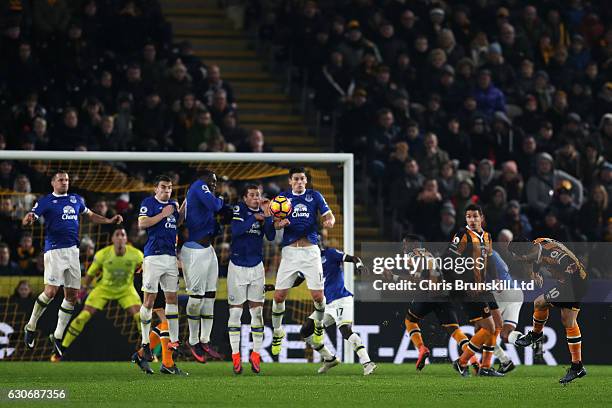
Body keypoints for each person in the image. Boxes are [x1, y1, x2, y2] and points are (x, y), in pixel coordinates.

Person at [22, 170, 122, 357]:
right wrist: (29, 218)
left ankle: (57, 336)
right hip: (54, 251)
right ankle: (31, 325)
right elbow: (33, 215)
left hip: (73, 252)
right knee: (51, 292)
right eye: (61, 180)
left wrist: (108, 220)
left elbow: (91, 215)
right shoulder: (46, 201)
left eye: (66, 180)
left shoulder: (76, 199)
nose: (64, 182)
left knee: (72, 296)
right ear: (53, 183)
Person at [271, 167, 335, 356]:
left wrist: (329, 222)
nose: (299, 182)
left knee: (317, 297)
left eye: (302, 179)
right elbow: (273, 223)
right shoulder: (282, 198)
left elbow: (328, 216)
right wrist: (278, 224)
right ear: (290, 181)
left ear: (306, 181)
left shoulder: (315, 196)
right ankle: (277, 332)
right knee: (278, 296)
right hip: (290, 252)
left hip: (310, 251)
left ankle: (319, 325)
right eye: (296, 179)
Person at [509, 237, 589, 384]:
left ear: (523, 252)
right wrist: (535, 272)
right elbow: (537, 257)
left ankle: (535, 335)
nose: (518, 259)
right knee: (569, 322)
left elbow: (541, 257)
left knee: (539, 303)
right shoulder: (539, 242)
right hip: (578, 281)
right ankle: (577, 366)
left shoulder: (545, 253)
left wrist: (562, 281)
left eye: (517, 256)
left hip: (571, 284)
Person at [56, 227, 143, 360]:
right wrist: (82, 291)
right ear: (112, 239)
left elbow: (146, 271)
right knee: (82, 317)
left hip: (126, 290)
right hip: (103, 289)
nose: (120, 237)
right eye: (117, 234)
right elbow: (90, 275)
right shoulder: (102, 254)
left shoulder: (136, 254)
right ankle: (61, 350)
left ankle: (147, 352)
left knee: (141, 318)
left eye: (123, 235)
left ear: (126, 239)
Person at [394, 235, 474, 372]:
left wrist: (394, 277)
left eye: (405, 244)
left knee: (410, 320)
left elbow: (417, 278)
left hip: (429, 294)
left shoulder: (412, 255)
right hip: (444, 294)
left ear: (412, 244)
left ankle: (421, 348)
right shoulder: (428, 253)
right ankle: (473, 359)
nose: (404, 247)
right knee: (454, 330)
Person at [295, 240, 376, 375]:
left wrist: (360, 266)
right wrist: (276, 288)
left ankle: (367, 362)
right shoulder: (307, 263)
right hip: (327, 304)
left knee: (345, 330)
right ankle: (329, 358)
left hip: (341, 299)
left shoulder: (330, 253)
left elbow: (353, 258)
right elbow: (296, 282)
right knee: (306, 330)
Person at [137, 175, 185, 375]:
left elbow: (177, 223)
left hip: (170, 258)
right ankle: (145, 344)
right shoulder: (149, 203)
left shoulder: (173, 204)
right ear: (156, 188)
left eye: (170, 187)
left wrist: (182, 208)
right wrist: (164, 214)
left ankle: (172, 344)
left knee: (172, 299)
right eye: (163, 187)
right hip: (153, 258)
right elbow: (142, 224)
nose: (167, 190)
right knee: (149, 301)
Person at [448, 204, 502, 377]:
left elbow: (490, 259)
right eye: (468, 217)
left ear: (482, 218)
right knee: (488, 328)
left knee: (497, 325)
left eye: (475, 216)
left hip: (484, 287)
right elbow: (448, 261)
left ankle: (485, 367)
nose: (472, 220)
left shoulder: (487, 236)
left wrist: (497, 279)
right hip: (470, 288)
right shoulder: (462, 236)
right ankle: (462, 362)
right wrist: (463, 284)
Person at [227, 185, 275, 374]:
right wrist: (254, 217)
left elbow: (271, 236)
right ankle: (235, 356)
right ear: (245, 198)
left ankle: (256, 355)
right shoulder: (239, 209)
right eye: (253, 195)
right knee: (236, 315)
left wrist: (268, 216)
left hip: (256, 267)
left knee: (257, 314)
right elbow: (236, 230)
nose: (256, 198)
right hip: (237, 266)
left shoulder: (264, 212)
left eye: (258, 195)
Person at [180, 170, 225, 363]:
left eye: (215, 182)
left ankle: (205, 341)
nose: (214, 184)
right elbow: (216, 205)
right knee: (196, 299)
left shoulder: (200, 192)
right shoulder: (199, 186)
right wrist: (222, 199)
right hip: (195, 250)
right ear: (203, 179)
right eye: (212, 181)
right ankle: (192, 341)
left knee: (209, 298)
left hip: (208, 250)